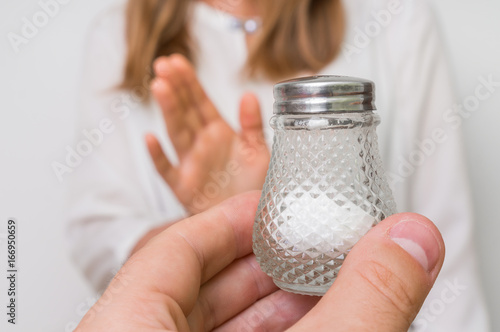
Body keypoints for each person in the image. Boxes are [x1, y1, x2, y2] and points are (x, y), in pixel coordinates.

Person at [67, 0, 490, 330]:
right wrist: (227, 225)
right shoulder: (118, 35)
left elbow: (446, 251)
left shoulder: (394, 18)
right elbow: (97, 230)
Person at [75, 192, 445, 331]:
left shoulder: (402, 24)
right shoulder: (115, 37)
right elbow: (91, 229)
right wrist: (211, 202)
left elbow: (457, 304)